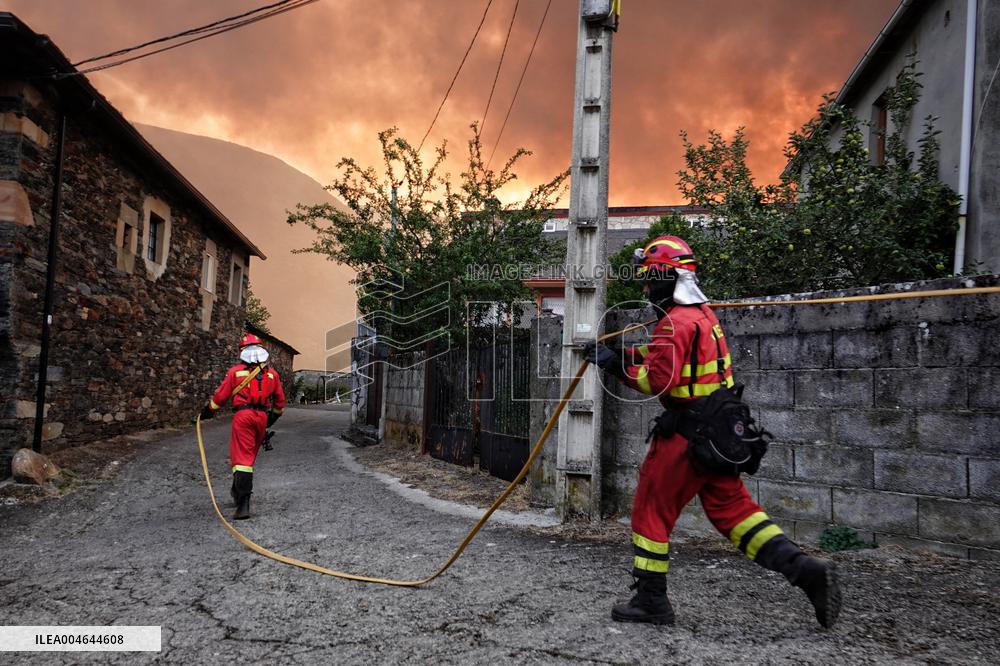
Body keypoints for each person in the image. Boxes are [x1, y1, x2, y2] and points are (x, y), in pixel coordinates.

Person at [584, 235, 841, 628]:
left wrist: (611, 365)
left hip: (685, 438)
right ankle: (806, 571)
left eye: (652, 279)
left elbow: (656, 381)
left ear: (670, 278)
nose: (647, 287)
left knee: (651, 511)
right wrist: (621, 352)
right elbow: (671, 355)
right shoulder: (703, 317)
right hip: (719, 434)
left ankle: (651, 602)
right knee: (736, 513)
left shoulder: (675, 321)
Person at [197, 332, 286, 520]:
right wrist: (271, 419)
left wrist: (206, 413)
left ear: (243, 351)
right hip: (261, 417)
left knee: (242, 460)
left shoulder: (235, 372)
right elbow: (279, 403)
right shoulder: (272, 374)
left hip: (243, 416)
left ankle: (243, 504)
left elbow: (220, 397)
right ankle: (237, 490)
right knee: (249, 458)